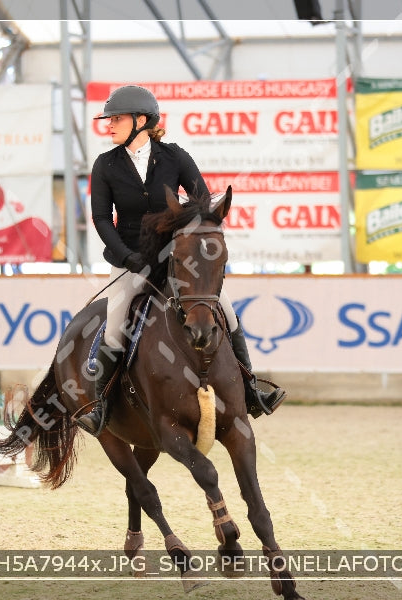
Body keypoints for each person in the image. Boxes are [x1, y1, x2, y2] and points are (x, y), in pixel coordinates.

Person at [76, 84, 285, 437]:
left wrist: (184, 240)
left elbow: (202, 201)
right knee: (114, 325)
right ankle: (101, 407)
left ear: (141, 121)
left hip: (178, 262)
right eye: (109, 119)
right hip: (129, 260)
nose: (108, 125)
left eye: (116, 119)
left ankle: (251, 390)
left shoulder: (175, 157)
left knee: (228, 312)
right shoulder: (105, 165)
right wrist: (127, 257)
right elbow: (99, 218)